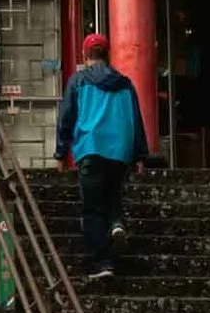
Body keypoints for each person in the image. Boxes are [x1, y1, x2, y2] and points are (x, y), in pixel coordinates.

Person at [55, 32, 146, 280]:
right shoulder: (125, 83)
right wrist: (139, 155)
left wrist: (61, 152)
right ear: (108, 55)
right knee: (113, 193)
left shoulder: (79, 81)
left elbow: (67, 117)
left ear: (85, 56)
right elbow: (136, 119)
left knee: (93, 207)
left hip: (91, 148)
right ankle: (116, 223)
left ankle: (103, 262)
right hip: (119, 152)